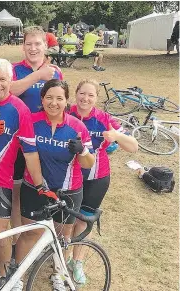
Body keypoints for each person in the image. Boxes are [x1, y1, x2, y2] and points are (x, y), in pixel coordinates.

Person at [0, 58, 57, 290]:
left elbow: (30, 153)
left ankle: (4, 272)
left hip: (1, 182)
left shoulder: (20, 109)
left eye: (2, 79)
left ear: (11, 80)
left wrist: (40, 185)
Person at [12, 79, 95, 291]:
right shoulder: (32, 121)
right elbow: (28, 156)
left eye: (59, 98)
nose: (54, 102)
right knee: (30, 233)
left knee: (63, 236)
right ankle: (17, 275)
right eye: (49, 97)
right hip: (35, 187)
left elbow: (88, 163)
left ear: (67, 101)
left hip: (68, 190)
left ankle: (59, 274)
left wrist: (82, 151)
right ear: (42, 99)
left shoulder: (77, 127)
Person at [68, 79, 138, 285]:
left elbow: (133, 147)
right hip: (68, 177)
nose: (85, 98)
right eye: (82, 93)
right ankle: (59, 259)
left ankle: (77, 261)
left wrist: (116, 135)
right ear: (76, 93)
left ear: (97, 98)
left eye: (91, 95)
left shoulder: (103, 118)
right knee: (64, 221)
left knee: (83, 221)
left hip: (96, 178)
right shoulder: (67, 113)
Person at [9, 25, 63, 251]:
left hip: (43, 143)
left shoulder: (56, 72)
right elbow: (10, 90)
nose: (33, 48)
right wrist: (38, 75)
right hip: (16, 141)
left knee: (41, 187)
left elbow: (60, 102)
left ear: (45, 46)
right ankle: (16, 239)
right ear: (23, 46)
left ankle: (36, 236)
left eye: (37, 44)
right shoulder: (14, 69)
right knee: (16, 190)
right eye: (29, 44)